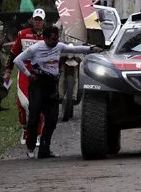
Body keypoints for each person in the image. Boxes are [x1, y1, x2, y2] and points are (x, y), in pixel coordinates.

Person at [14, 25, 99, 159]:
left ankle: (44, 149)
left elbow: (74, 49)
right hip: (37, 86)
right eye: (53, 39)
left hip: (51, 85)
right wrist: (28, 74)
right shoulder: (35, 48)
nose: (56, 41)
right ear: (45, 38)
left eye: (57, 38)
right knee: (34, 118)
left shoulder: (58, 47)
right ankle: (30, 147)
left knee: (52, 119)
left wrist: (91, 49)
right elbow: (17, 60)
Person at [4, 8, 47, 145]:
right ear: (32, 20)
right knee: (23, 104)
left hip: (41, 74)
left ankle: (37, 135)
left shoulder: (48, 36)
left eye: (40, 20)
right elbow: (13, 54)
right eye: (36, 19)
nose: (38, 22)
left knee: (39, 105)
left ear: (44, 21)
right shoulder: (23, 34)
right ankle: (24, 128)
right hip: (24, 72)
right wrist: (8, 71)